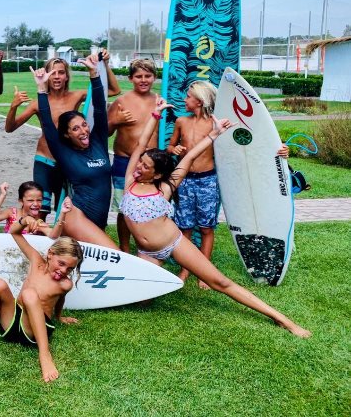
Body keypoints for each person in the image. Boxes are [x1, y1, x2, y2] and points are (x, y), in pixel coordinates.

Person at [121, 99, 311, 338]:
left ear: (157, 174)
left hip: (174, 243)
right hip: (147, 253)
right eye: (140, 162)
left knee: (220, 283)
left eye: (145, 166)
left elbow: (189, 158)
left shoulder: (165, 189)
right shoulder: (130, 181)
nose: (138, 167)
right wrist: (154, 115)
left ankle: (283, 320)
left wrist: (214, 134)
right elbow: (140, 144)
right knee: (140, 301)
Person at [7, 54, 121, 221]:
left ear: (67, 76)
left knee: (65, 209)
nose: (57, 76)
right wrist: (13, 107)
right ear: (46, 76)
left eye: (61, 72)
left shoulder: (76, 96)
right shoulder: (38, 102)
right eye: (52, 73)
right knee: (40, 209)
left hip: (69, 163)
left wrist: (105, 64)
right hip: (45, 160)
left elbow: (114, 91)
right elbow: (10, 128)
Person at [0, 232, 84, 383]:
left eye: (70, 269)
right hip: (12, 323)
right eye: (61, 263)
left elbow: (59, 300)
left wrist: (58, 317)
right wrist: (25, 221)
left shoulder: (65, 284)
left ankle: (44, 354)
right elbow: (15, 232)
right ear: (50, 254)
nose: (64, 271)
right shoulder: (36, 261)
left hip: (33, 331)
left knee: (29, 294)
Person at [32, 54, 117, 237]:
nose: (83, 131)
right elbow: (47, 122)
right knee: (113, 251)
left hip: (98, 222)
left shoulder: (98, 142)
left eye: (84, 125)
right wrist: (41, 88)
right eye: (75, 129)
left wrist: (94, 73)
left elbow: (100, 108)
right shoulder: (65, 154)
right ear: (66, 134)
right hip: (79, 218)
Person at [166, 81, 219, 288]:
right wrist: (174, 149)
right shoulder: (181, 121)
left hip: (207, 181)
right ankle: (185, 270)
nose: (184, 99)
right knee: (185, 227)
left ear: (200, 101)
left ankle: (204, 273)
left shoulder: (215, 124)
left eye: (188, 97)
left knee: (206, 228)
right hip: (184, 180)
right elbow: (170, 146)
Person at [108, 58, 159, 252]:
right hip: (124, 161)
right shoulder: (121, 102)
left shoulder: (159, 101)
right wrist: (116, 120)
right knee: (124, 207)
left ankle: (146, 244)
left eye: (148, 76)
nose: (143, 80)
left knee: (148, 204)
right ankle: (124, 246)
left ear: (154, 77)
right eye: (138, 76)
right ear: (130, 78)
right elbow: (106, 132)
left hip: (150, 164)